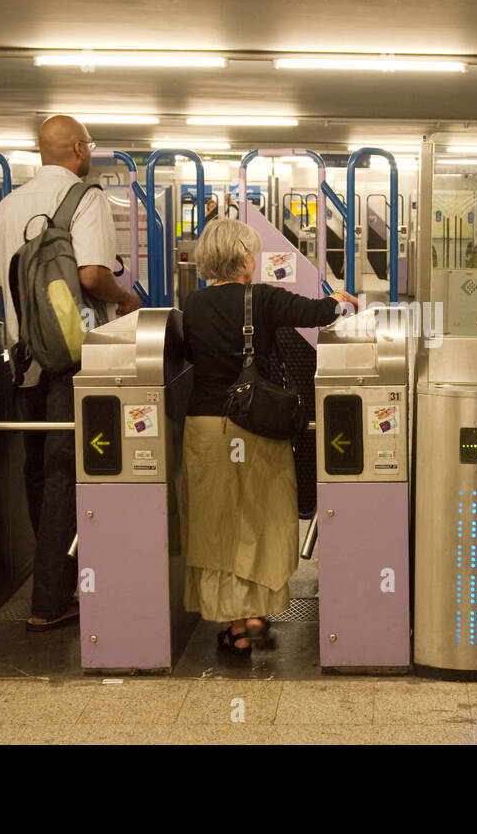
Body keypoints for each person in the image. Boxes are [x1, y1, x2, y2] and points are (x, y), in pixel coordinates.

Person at [0, 114, 141, 632]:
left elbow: (6, 288)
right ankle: (52, 599)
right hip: (74, 360)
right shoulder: (86, 198)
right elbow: (93, 275)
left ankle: (54, 580)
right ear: (79, 149)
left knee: (39, 468)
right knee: (70, 474)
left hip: (23, 357)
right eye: (90, 145)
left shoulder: (8, 207)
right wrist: (125, 298)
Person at [181, 217, 356, 656]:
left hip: (207, 429)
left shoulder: (194, 304)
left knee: (218, 523)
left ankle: (238, 624)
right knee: (263, 518)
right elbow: (317, 313)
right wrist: (338, 300)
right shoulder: (262, 298)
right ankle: (256, 614)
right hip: (257, 425)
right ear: (243, 258)